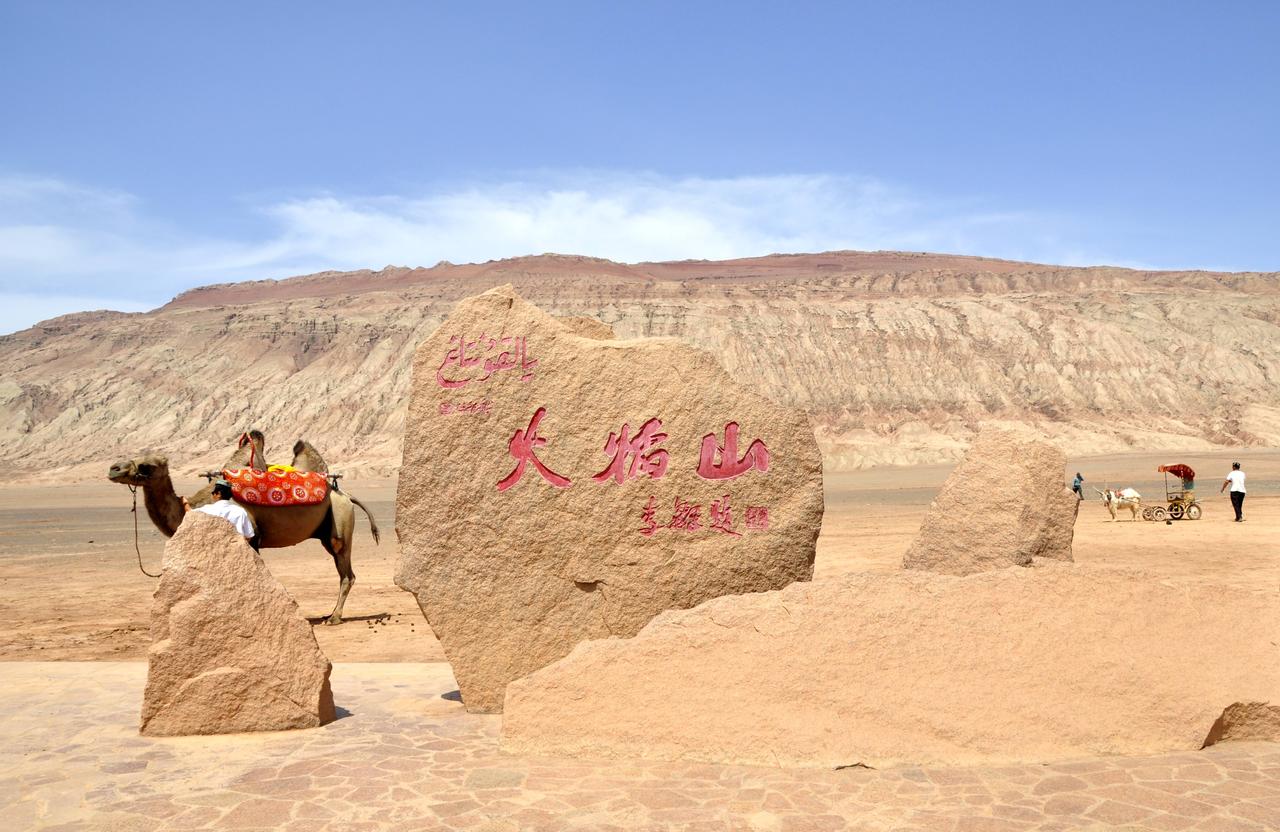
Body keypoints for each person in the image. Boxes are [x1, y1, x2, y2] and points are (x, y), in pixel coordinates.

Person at [183, 477, 257, 542]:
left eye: (213, 493)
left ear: (218, 493)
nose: (212, 495)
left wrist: (185, 502)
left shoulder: (208, 509)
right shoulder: (240, 511)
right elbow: (249, 536)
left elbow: (190, 514)